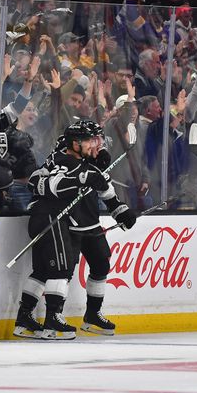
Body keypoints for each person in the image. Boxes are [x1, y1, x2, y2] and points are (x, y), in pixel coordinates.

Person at [13, 120, 136, 340]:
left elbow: (104, 187)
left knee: (101, 263)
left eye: (97, 139)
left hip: (87, 221)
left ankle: (92, 315)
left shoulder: (91, 159)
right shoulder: (62, 159)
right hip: (65, 221)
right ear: (75, 142)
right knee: (59, 270)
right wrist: (81, 179)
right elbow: (45, 184)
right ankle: (51, 319)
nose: (96, 144)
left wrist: (120, 211)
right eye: (91, 140)